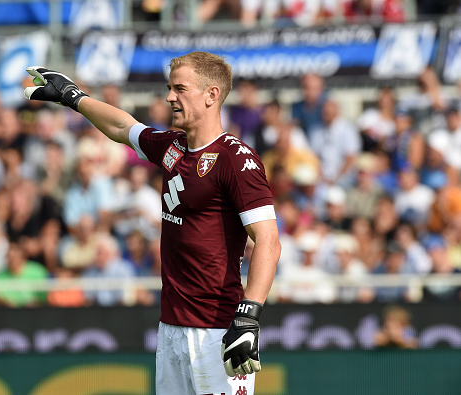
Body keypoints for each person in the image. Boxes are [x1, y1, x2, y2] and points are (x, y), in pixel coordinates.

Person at [24, 51, 281, 394]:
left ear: (211, 95)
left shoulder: (236, 158)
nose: (169, 97)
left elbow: (268, 241)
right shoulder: (172, 147)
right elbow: (121, 126)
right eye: (169, 88)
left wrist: (249, 318)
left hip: (217, 330)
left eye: (180, 88)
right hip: (171, 327)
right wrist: (75, 98)